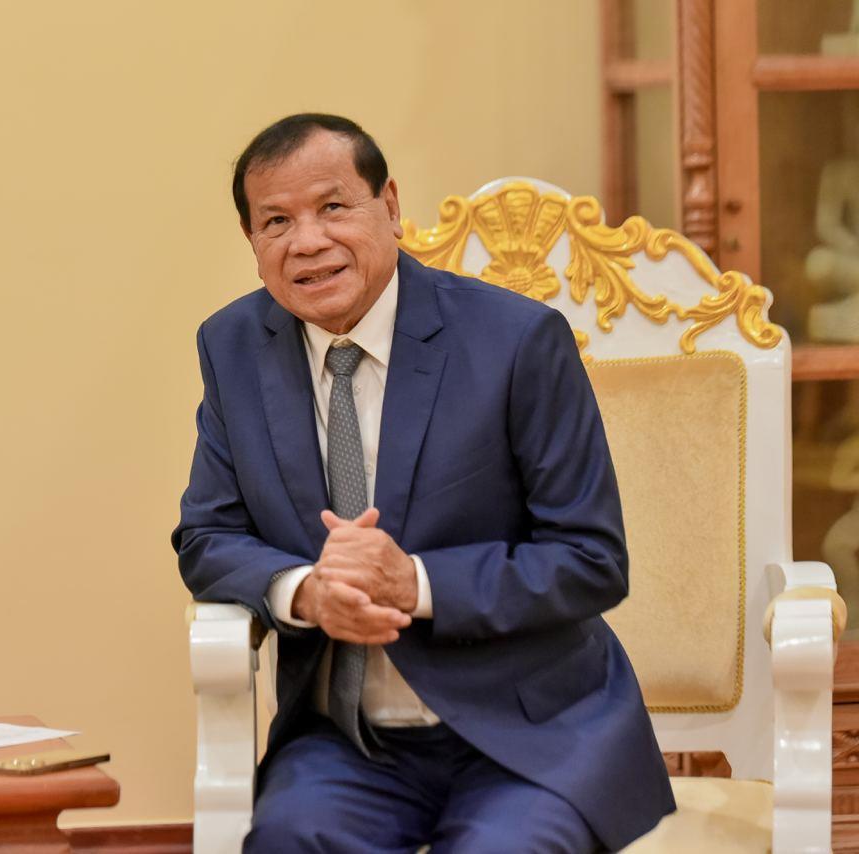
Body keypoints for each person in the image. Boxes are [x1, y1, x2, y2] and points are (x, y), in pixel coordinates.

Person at [172, 113, 674, 852]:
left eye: (333, 206)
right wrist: (306, 592)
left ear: (391, 206)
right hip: (349, 742)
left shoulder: (516, 341)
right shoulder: (234, 346)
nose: (307, 241)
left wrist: (416, 583)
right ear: (252, 242)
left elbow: (590, 558)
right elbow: (208, 537)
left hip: (529, 736)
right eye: (276, 221)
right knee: (288, 839)